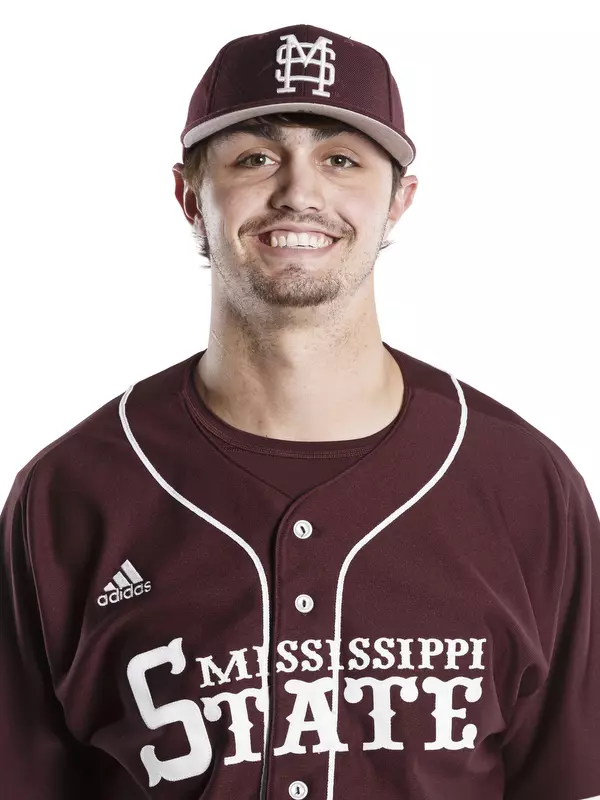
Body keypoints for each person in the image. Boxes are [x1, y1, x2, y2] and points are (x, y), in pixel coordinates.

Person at [1, 22, 599, 800]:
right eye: (255, 157)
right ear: (189, 195)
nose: (300, 192)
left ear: (399, 201)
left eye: (341, 159)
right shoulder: (69, 496)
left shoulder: (525, 487)